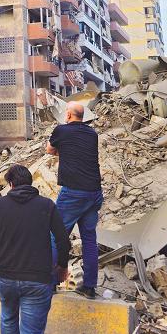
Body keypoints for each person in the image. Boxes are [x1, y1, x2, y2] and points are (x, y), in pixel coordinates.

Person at [0, 164, 70, 334]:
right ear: (30, 184)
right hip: (37, 280)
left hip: (7, 277)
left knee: (8, 319)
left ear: (12, 185)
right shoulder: (46, 205)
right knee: (31, 332)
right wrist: (62, 266)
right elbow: (62, 240)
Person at [46, 101, 103, 299]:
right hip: (94, 193)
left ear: (69, 115)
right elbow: (80, 151)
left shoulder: (61, 131)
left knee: (56, 235)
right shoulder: (92, 134)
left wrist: (63, 151)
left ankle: (50, 283)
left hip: (73, 194)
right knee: (89, 239)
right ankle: (89, 286)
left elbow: (49, 150)